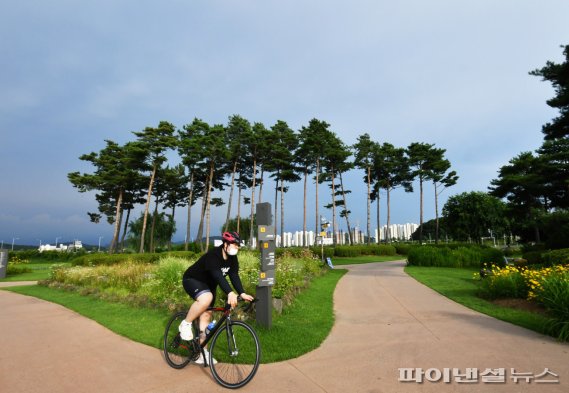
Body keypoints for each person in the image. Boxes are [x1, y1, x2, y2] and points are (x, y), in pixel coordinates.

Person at [179, 231, 254, 364]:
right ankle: (185, 324)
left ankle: (201, 353)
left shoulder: (232, 259)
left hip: (209, 286)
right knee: (206, 298)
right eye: (234, 245)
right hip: (192, 279)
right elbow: (218, 276)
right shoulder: (213, 256)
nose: (237, 248)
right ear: (225, 244)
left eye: (238, 246)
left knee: (206, 316)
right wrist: (230, 293)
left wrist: (241, 293)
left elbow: (234, 276)